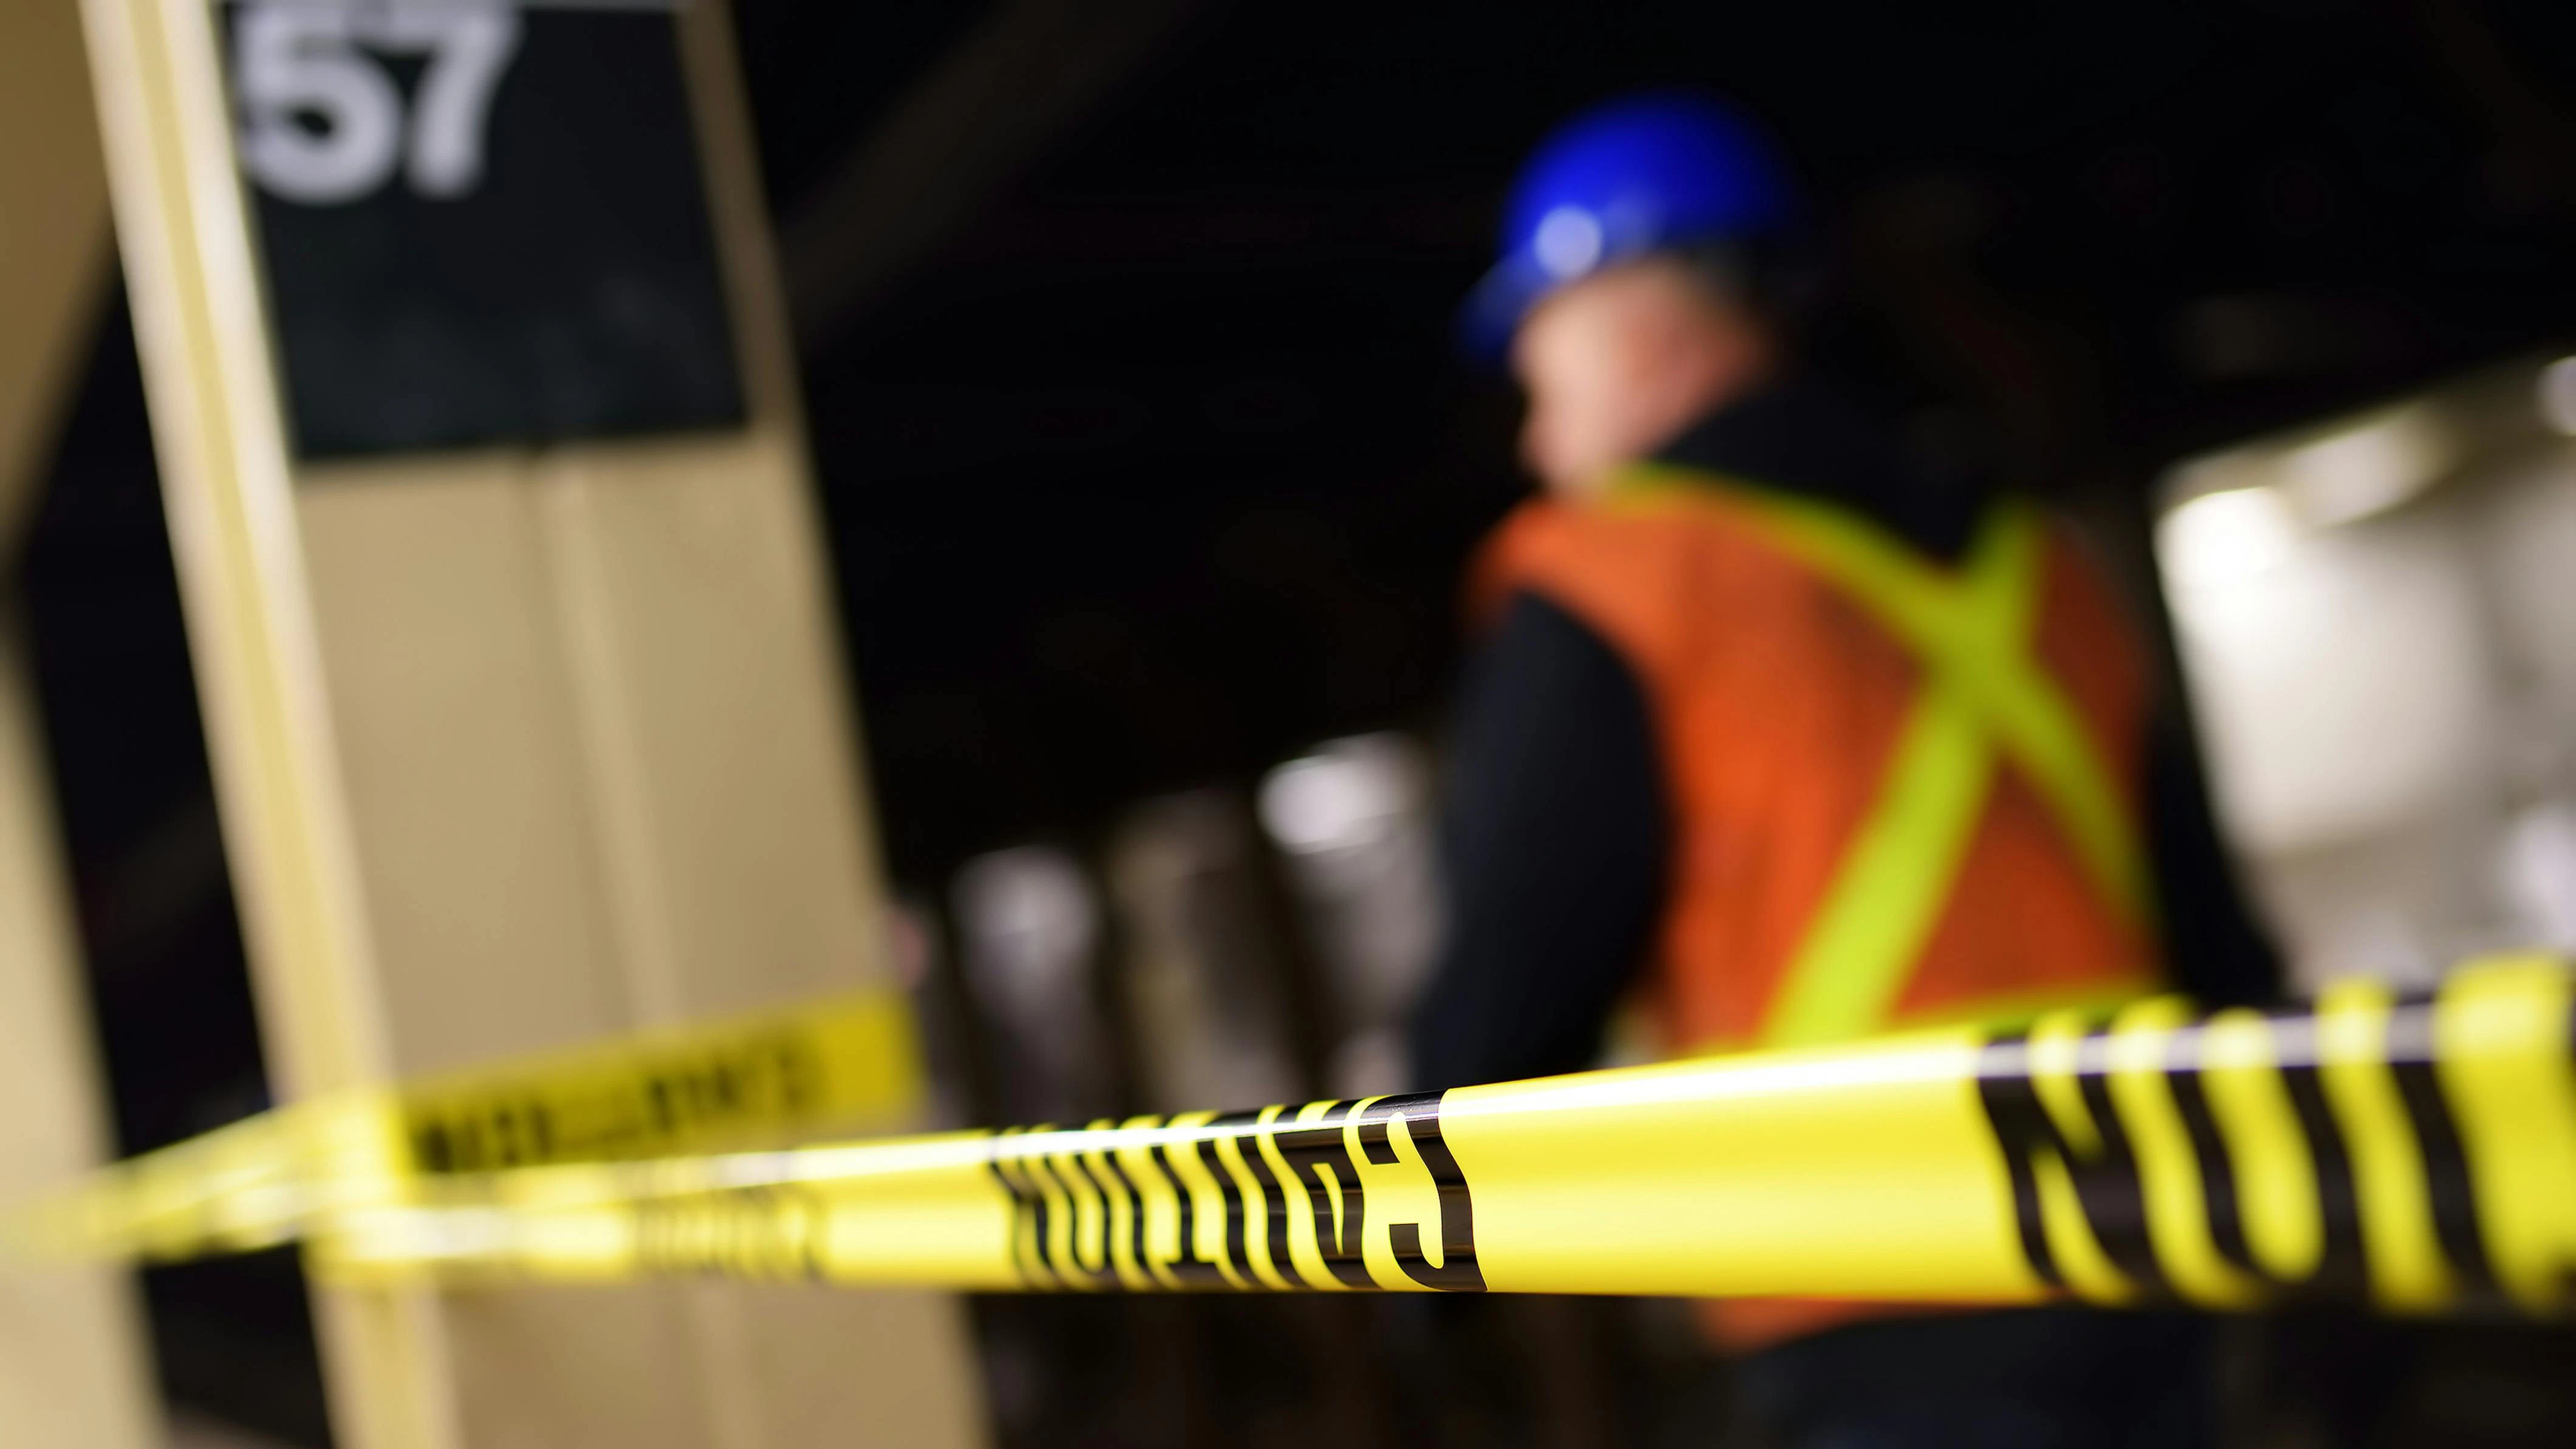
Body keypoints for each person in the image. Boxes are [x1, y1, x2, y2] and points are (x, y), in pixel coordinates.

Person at [1410, 93, 2247, 1447]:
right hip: (2148, 1239)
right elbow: (2211, 936)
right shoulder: (2041, 570)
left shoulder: (1615, 577)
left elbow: (1519, 960)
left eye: (1539, 375)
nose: (1530, 438)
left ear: (1641, 327)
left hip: (1880, 1280)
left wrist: (1418, 1241)